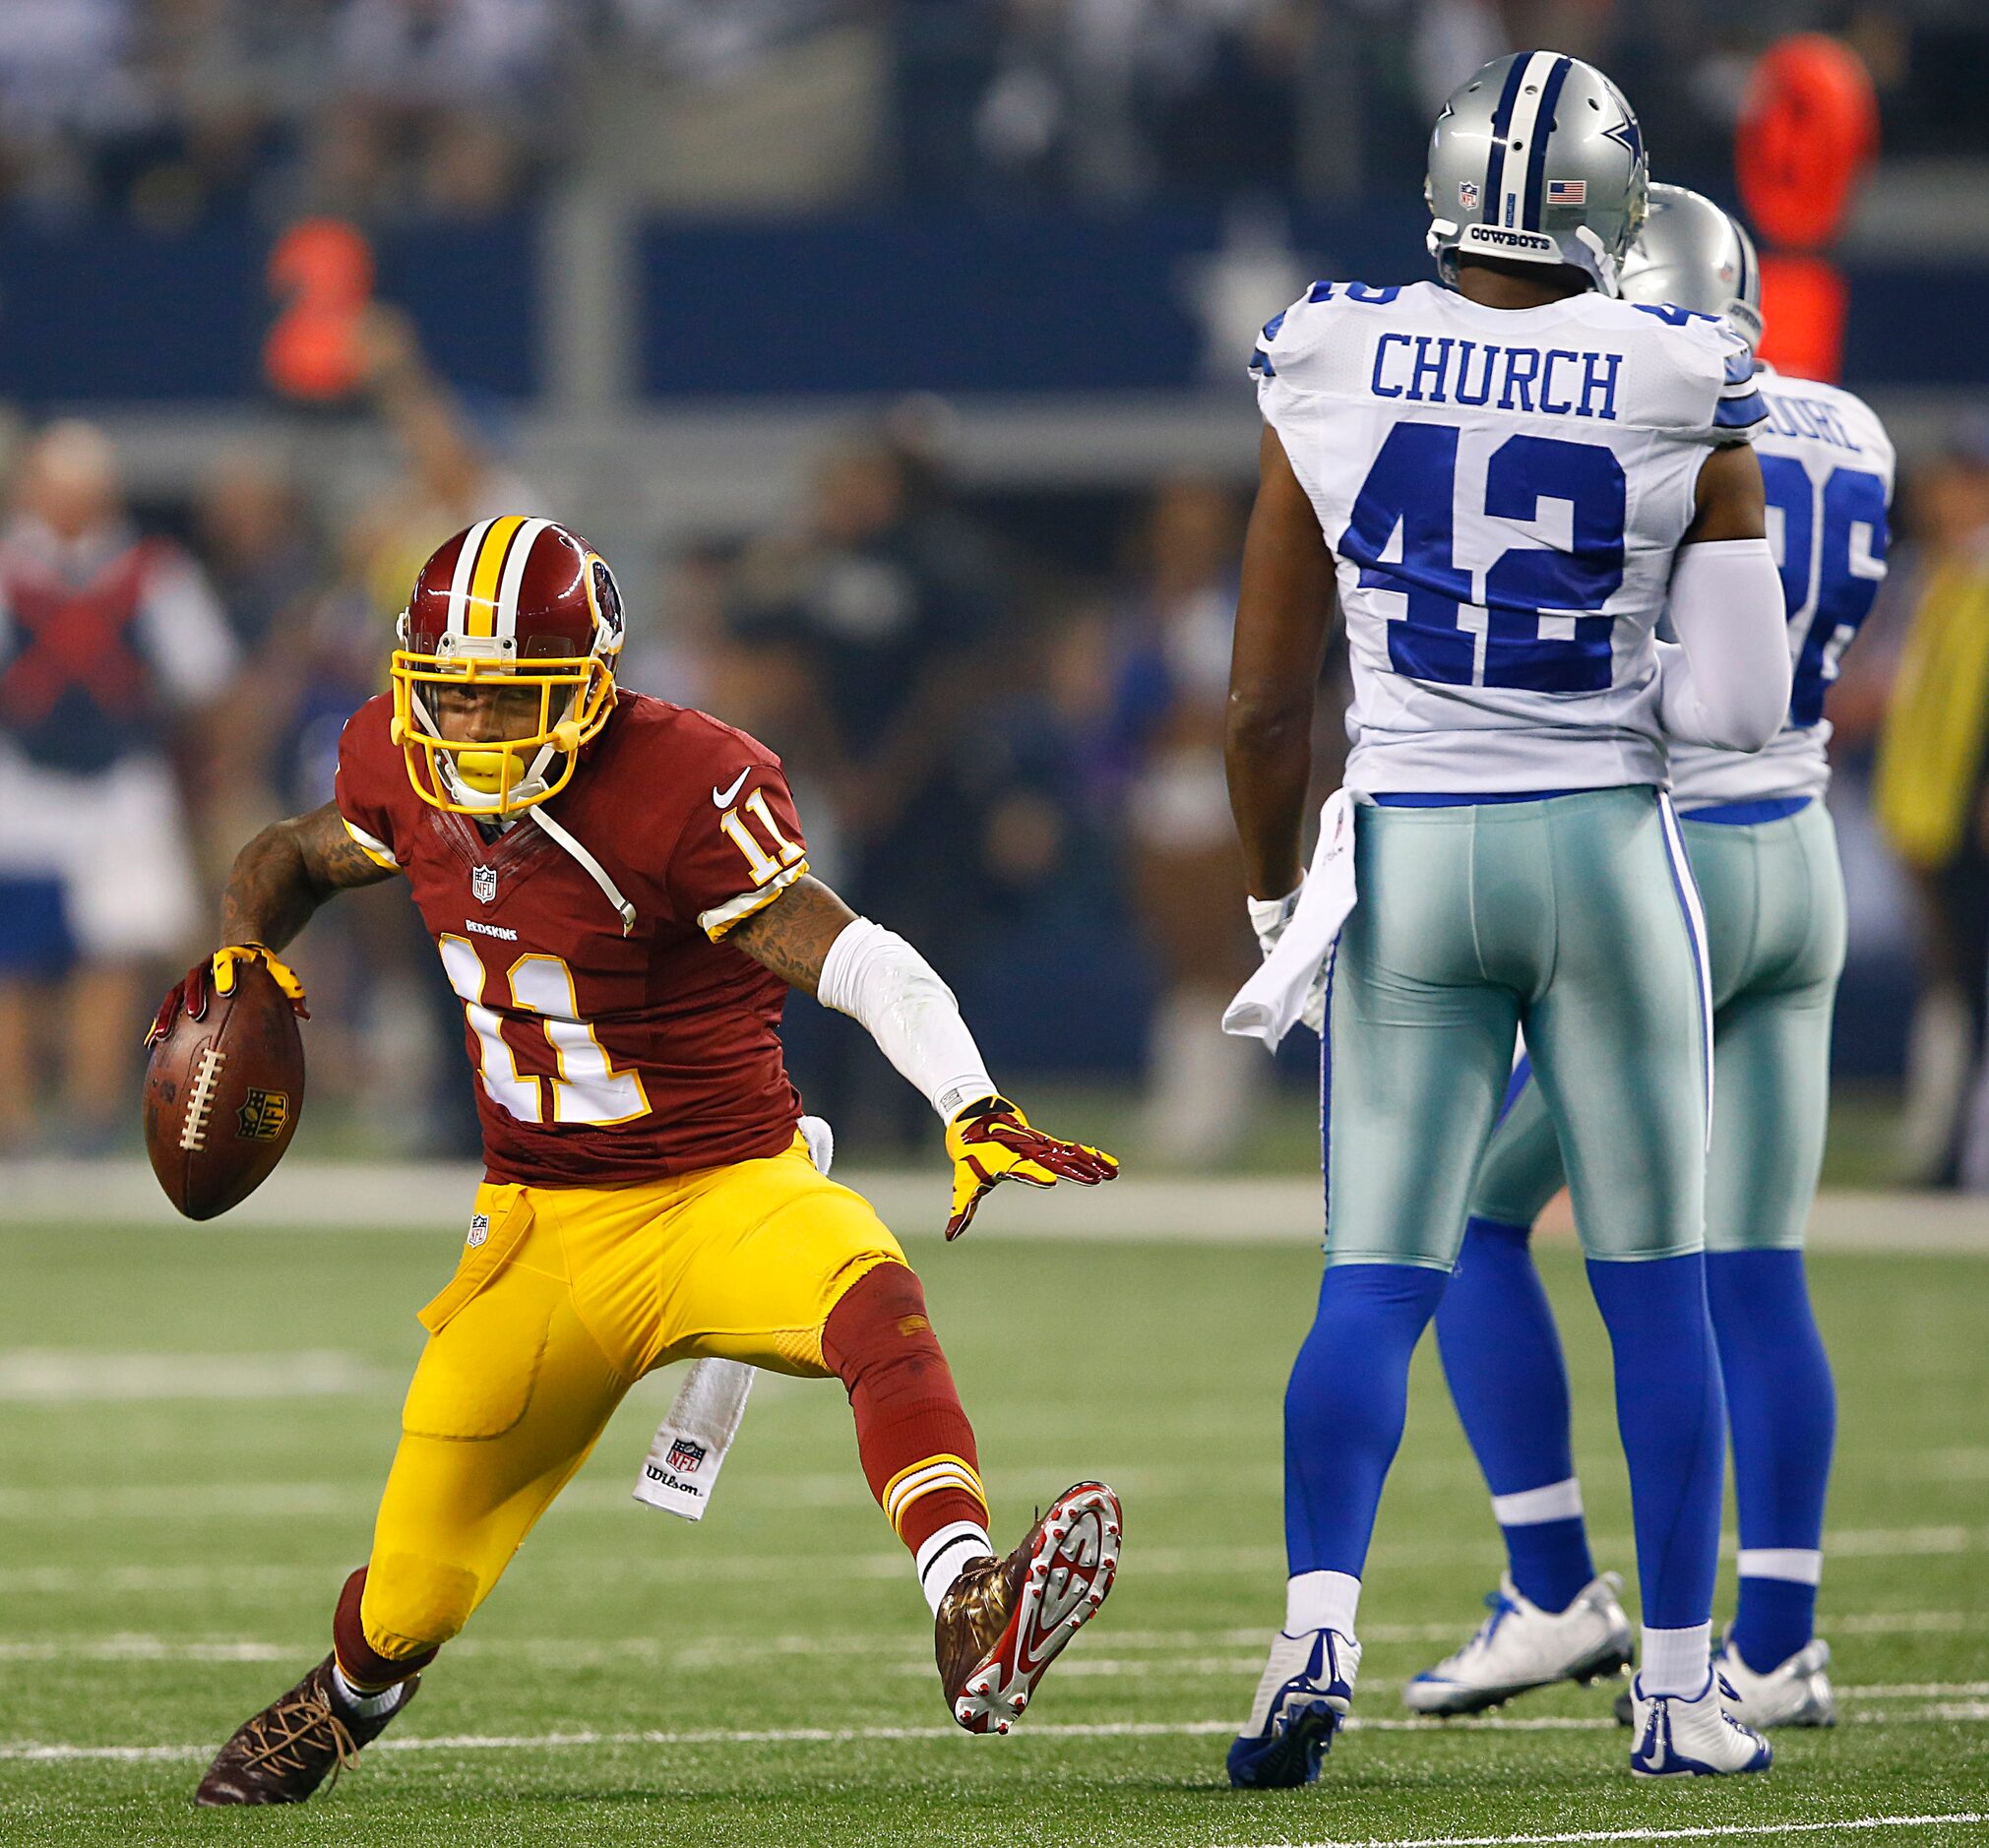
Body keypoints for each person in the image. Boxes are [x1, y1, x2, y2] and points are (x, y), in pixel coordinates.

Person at [162, 517, 1123, 1807]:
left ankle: (968, 1595)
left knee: (872, 1295)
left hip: (722, 1187)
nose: (472, 731)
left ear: (589, 688)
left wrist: (970, 1096)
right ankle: (341, 1704)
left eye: (508, 702)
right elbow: (287, 854)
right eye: (448, 694)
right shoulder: (397, 758)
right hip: (538, 1236)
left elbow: (860, 957)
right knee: (411, 1594)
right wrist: (245, 957)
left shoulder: (685, 782)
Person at [1222, 55, 1789, 1786]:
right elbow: (1745, 705)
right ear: (1614, 207)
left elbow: (1260, 702)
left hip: (1411, 850)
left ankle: (1315, 1618)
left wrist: (1271, 901)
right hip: (1605, 854)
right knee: (1656, 1289)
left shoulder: (1325, 345)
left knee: (1372, 1275)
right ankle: (1682, 1688)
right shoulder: (1681, 365)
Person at [1408, 186, 1893, 1734]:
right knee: (1759, 1268)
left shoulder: (1647, 407)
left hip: (1673, 861)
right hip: (1801, 856)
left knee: (1475, 1216)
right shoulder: (1854, 428)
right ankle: (1783, 1637)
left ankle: (1552, 1584)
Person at [0, 418, 237, 1152]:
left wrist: (208, 778)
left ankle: (91, 1111)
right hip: (25, 783)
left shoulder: (152, 570)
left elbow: (205, 677)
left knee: (115, 952)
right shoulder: (9, 569)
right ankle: (12, 1115)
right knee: (16, 958)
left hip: (121, 785)